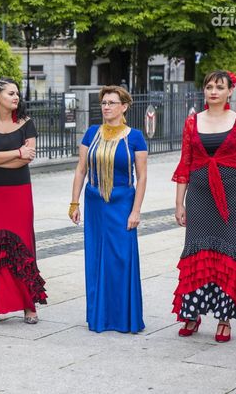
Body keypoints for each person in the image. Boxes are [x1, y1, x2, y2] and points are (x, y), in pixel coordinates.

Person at [69, 85, 148, 333]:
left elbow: (142, 177)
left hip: (123, 203)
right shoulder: (91, 133)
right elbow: (81, 169)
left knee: (121, 258)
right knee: (96, 258)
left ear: (124, 107)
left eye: (111, 103)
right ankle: (100, 316)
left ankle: (123, 317)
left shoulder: (135, 137)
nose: (106, 107)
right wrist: (74, 202)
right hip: (95, 204)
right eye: (103, 103)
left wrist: (136, 211)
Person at [0, 77, 47, 324]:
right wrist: (16, 152)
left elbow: (26, 160)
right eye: (11, 93)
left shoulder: (27, 123)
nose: (16, 97)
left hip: (19, 191)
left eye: (17, 94)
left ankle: (28, 306)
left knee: (22, 243)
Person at [172, 70, 236, 342]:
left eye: (219, 87)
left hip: (232, 196)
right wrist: (179, 203)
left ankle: (224, 318)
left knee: (228, 252)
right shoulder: (192, 121)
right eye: (209, 87)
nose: (213, 91)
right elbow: (185, 162)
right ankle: (192, 313)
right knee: (196, 251)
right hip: (199, 195)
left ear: (230, 91)